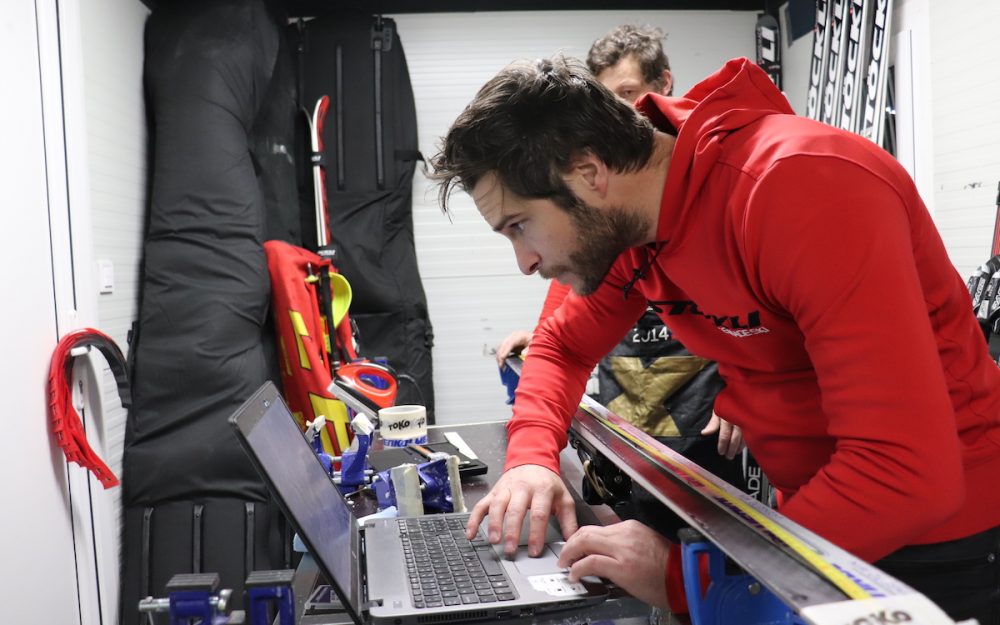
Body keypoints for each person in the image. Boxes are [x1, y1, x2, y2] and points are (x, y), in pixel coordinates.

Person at [431, 55, 1000, 622]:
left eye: (519, 226)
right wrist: (531, 459)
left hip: (937, 546)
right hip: (809, 517)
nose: (525, 262)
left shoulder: (798, 187)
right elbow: (562, 346)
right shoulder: (635, 224)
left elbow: (903, 471)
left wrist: (687, 576)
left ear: (588, 173)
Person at [495, 25, 747, 535]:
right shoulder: (606, 213)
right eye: (607, 100)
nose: (619, 115)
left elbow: (760, 316)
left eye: (629, 95)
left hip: (704, 419)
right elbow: (568, 316)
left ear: (665, 83)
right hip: (630, 422)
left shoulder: (729, 193)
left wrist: (750, 388)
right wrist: (542, 338)